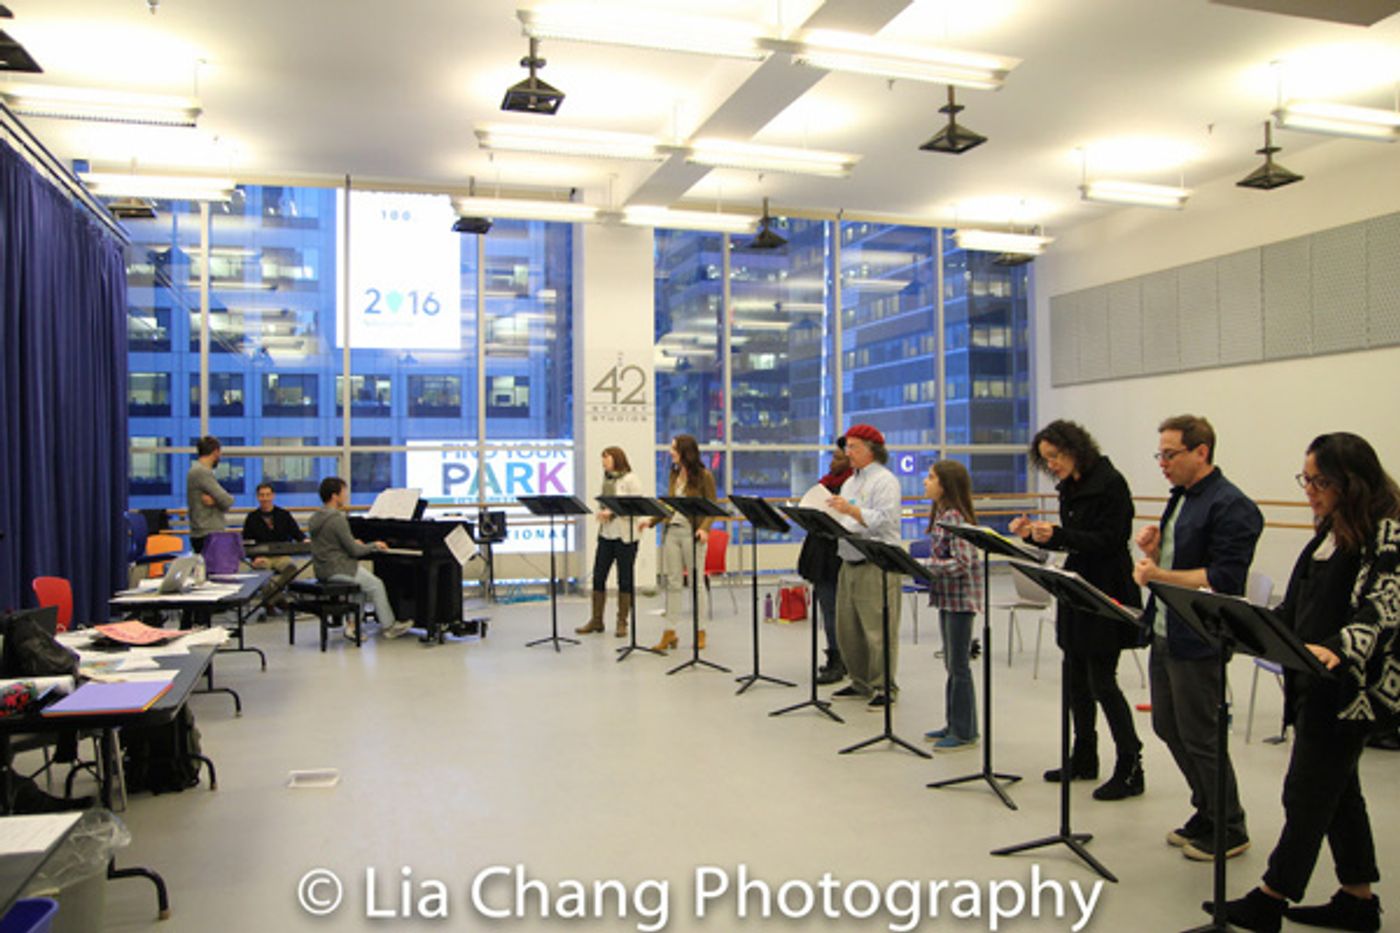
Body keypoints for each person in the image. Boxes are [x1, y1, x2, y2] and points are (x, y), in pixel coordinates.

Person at [1212, 433, 1397, 933]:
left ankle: (1271, 900)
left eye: (1320, 481)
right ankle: (1358, 900)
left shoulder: (1386, 535)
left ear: (1350, 483)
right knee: (1340, 793)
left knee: (1307, 792)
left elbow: (1382, 610)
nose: (1309, 490)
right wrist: (1249, 628)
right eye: (1307, 479)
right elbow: (1298, 606)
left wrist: (1337, 648)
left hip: (1350, 689)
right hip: (1312, 681)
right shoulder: (1330, 530)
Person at [1134, 414, 1263, 861]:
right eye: (1161, 454)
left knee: (1201, 735)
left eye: (1170, 454)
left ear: (1201, 452)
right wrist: (1156, 548)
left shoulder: (1232, 506)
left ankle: (1230, 824)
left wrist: (1159, 574)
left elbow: (1225, 577)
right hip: (1166, 629)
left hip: (1198, 637)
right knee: (1167, 726)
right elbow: (1179, 556)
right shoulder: (1182, 498)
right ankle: (1207, 809)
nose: (1162, 463)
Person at [1010, 420, 1146, 799]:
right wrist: (1037, 533)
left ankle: (1131, 764)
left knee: (1103, 681)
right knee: (1075, 680)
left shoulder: (1110, 482)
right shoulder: (1071, 486)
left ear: (1075, 449)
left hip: (1106, 588)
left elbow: (1109, 540)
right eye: (1045, 460)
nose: (1051, 465)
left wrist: (1059, 536)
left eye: (1055, 456)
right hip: (1077, 586)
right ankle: (1084, 755)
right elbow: (1075, 539)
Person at [828, 423, 903, 710]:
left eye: (854, 447)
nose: (848, 452)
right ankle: (859, 680)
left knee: (878, 628)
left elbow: (885, 518)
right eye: (846, 447)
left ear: (871, 450)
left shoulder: (885, 481)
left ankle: (884, 684)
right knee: (849, 626)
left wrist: (851, 511)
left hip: (877, 561)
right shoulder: (850, 482)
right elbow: (845, 518)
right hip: (849, 558)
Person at [921, 460, 981, 751]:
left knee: (958, 666)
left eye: (931, 477)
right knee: (950, 663)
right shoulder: (942, 514)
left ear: (946, 484)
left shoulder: (955, 517)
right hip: (947, 598)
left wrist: (925, 566)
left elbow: (963, 562)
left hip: (960, 600)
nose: (925, 481)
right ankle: (954, 722)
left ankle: (965, 731)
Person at [309, 476, 411, 640]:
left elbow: (330, 543)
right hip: (338, 568)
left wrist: (351, 542)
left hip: (322, 568)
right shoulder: (337, 519)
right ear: (335, 496)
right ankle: (389, 627)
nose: (346, 496)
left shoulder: (316, 517)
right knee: (376, 585)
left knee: (361, 586)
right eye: (343, 492)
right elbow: (355, 551)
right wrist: (375, 545)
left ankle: (352, 627)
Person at [642, 434, 717, 651]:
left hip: (692, 534)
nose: (670, 451)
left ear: (685, 452)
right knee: (673, 583)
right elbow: (670, 505)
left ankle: (701, 630)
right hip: (672, 534)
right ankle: (670, 631)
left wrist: (704, 529)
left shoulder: (704, 476)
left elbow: (712, 507)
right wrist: (652, 521)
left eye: (673, 448)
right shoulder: (674, 474)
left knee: (696, 583)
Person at [797, 439, 853, 684]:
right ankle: (835, 655)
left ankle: (841, 660)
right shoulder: (826, 485)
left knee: (835, 610)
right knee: (827, 608)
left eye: (838, 457)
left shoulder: (851, 487)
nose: (832, 462)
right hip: (819, 552)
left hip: (838, 554)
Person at [576, 446, 644, 638]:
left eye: (606, 459)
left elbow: (634, 505)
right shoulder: (607, 479)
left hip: (625, 537)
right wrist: (603, 513)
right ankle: (596, 620)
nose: (604, 463)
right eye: (603, 459)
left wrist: (612, 512)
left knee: (625, 579)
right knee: (598, 576)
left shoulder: (631, 479)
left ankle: (622, 622)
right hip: (606, 535)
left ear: (617, 459)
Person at [242, 482, 307, 612]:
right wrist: (254, 558)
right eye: (262, 495)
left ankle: (270, 600)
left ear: (273, 496)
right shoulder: (252, 518)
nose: (265, 498)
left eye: (267, 495)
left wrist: (305, 540)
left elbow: (297, 533)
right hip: (261, 556)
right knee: (262, 571)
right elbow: (246, 541)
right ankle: (278, 600)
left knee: (291, 568)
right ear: (257, 497)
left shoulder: (283, 515)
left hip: (281, 555)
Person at [186, 435, 233, 554]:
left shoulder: (196, 471)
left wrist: (214, 501)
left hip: (202, 532)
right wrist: (218, 501)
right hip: (207, 533)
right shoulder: (201, 472)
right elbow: (227, 501)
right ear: (216, 452)